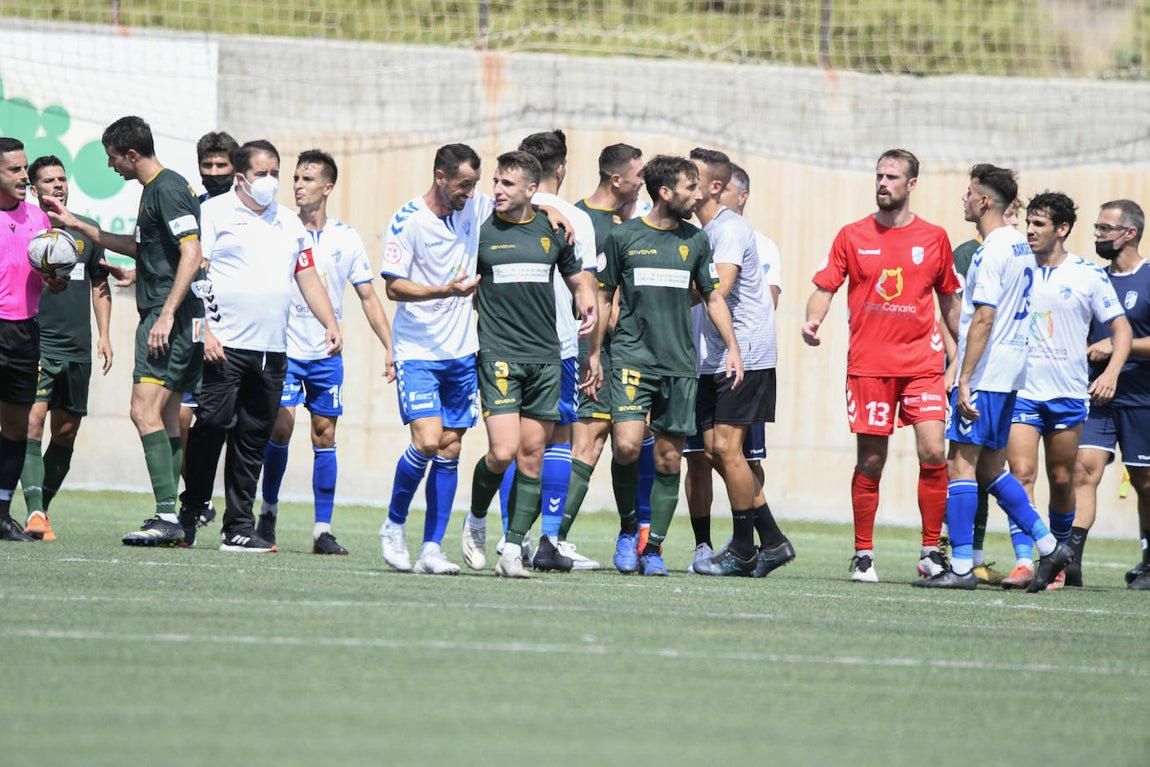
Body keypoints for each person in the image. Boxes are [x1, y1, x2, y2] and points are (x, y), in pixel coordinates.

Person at [43, 116, 204, 547]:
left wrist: (166, 314)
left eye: (113, 157)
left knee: (142, 411)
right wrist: (80, 225)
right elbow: (142, 247)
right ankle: (175, 515)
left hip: (169, 319)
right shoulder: (155, 189)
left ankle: (168, 516)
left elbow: (192, 253)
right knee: (166, 416)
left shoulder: (167, 189)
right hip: (175, 314)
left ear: (132, 154)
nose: (110, 165)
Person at [802, 149, 961, 582]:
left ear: (912, 184)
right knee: (872, 461)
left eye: (892, 177)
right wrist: (813, 319)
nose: (883, 183)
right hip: (870, 367)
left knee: (934, 452)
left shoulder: (934, 238)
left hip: (923, 364)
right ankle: (863, 554)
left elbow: (949, 298)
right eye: (879, 176)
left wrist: (965, 352)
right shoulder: (852, 235)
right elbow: (824, 287)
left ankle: (930, 551)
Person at [915, 163, 1073, 591]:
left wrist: (963, 377)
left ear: (984, 200)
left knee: (959, 465)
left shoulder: (990, 251)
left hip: (986, 375)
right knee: (990, 469)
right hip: (1010, 371)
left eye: (969, 192)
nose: (964, 199)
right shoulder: (1020, 244)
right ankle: (1049, 545)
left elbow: (983, 318)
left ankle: (961, 566)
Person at [181, 139, 342, 552]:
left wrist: (330, 322)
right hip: (224, 344)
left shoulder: (289, 222)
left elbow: (307, 277)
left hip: (272, 350)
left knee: (252, 439)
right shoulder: (213, 212)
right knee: (211, 426)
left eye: (275, 173)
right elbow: (196, 274)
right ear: (240, 177)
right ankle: (192, 509)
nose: (270, 180)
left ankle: (238, 526)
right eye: (261, 174)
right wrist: (204, 332)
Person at [599, 154, 743, 576]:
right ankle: (629, 529)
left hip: (679, 365)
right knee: (627, 446)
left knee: (667, 460)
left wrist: (732, 348)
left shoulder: (696, 241)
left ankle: (654, 549)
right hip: (631, 359)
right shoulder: (623, 236)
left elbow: (712, 296)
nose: (697, 195)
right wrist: (593, 352)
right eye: (689, 187)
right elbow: (605, 296)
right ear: (665, 192)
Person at [465, 150, 597, 578]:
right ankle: (476, 518)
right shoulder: (479, 229)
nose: (497, 190)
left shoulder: (554, 230)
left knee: (532, 457)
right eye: (496, 182)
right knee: (502, 452)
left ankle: (511, 549)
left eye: (507, 184)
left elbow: (578, 279)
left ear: (531, 189)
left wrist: (586, 302)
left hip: (546, 357)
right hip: (499, 355)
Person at [257, 150, 394, 555]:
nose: (298, 185)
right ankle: (268, 514)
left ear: (328, 187)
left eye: (308, 179)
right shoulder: (278, 227)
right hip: (283, 349)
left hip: (326, 354)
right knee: (280, 428)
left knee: (325, 433)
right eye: (296, 178)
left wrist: (390, 347)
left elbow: (368, 296)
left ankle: (322, 531)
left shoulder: (346, 238)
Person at [1000, 193, 1131, 589]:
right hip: (1021, 390)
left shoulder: (1087, 275)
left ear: (1062, 229)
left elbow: (1122, 330)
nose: (1030, 230)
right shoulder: (1015, 266)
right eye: (1029, 222)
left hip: (1068, 395)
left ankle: (1056, 560)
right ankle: (1026, 561)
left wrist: (1111, 373)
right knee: (1021, 474)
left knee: (1061, 479)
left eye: (1039, 224)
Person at [682, 149, 793, 577]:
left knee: (729, 450)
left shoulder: (728, 228)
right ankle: (774, 542)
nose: (684, 182)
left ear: (714, 187)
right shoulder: (706, 229)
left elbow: (721, 287)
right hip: (714, 358)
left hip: (743, 355)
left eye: (692, 176)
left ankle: (744, 549)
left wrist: (661, 292)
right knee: (714, 451)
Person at [379, 144, 488, 573]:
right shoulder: (407, 220)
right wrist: (445, 290)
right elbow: (393, 287)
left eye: (475, 185)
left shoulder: (473, 206)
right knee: (427, 440)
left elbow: (517, 203)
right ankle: (393, 525)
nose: (471, 193)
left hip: (461, 351)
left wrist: (554, 213)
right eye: (464, 184)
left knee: (450, 447)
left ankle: (431, 549)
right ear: (440, 177)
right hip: (418, 351)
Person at [556, 143, 644, 563]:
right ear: (616, 178)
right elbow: (598, 299)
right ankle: (554, 539)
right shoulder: (589, 224)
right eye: (638, 176)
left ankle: (629, 533)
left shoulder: (598, 219)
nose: (643, 183)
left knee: (626, 442)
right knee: (589, 443)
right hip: (594, 348)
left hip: (612, 349)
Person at [19, 155, 113, 541]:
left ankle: (42, 508)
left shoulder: (86, 231)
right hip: (36, 342)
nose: (57, 185)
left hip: (77, 347)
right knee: (32, 423)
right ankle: (33, 511)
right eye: (48, 180)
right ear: (34, 189)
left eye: (61, 179)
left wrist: (104, 334)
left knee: (66, 432)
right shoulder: (25, 228)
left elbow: (99, 284)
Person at [1072, 200, 1150, 590]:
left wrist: (1119, 346)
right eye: (1097, 228)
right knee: (1083, 469)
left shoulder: (1148, 277)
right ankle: (1069, 562)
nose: (1097, 234)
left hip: (1142, 400)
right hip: (1098, 397)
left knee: (1145, 483)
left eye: (1105, 228)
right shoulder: (1095, 279)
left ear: (1130, 233)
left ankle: (1149, 562)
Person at [0, 137, 65, 542]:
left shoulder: (39, 218)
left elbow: (46, 273)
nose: (25, 176)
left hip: (25, 332)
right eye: (15, 169)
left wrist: (54, 280)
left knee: (15, 425)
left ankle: (1, 513)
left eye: (25, 168)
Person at [177, 131, 240, 518]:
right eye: (208, 165)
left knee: (236, 428)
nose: (215, 172)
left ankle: (240, 514)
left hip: (244, 334)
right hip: (200, 329)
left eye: (222, 165)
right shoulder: (193, 210)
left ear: (235, 168)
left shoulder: (248, 211)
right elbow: (186, 268)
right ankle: (197, 499)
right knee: (182, 418)